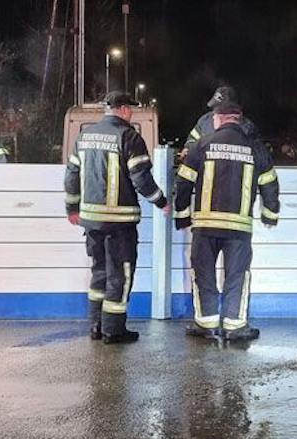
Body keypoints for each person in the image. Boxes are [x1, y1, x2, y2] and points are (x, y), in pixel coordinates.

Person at [64, 90, 168, 344]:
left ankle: (96, 326)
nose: (130, 113)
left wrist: (72, 209)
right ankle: (114, 330)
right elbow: (141, 178)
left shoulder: (84, 136)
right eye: (129, 109)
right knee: (120, 275)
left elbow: (71, 175)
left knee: (99, 272)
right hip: (119, 223)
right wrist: (161, 201)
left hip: (91, 222)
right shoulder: (129, 137)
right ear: (122, 109)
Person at [175, 97, 280, 343]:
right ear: (239, 119)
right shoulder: (256, 148)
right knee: (237, 275)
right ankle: (235, 326)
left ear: (218, 119)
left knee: (204, 274)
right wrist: (270, 215)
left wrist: (181, 217)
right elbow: (270, 184)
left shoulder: (202, 144)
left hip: (205, 225)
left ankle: (206, 323)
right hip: (239, 229)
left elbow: (183, 182)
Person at [187, 84, 260, 147]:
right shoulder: (205, 120)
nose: (214, 115)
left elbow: (255, 152)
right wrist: (188, 148)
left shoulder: (248, 128)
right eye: (214, 108)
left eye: (219, 110)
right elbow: (192, 140)